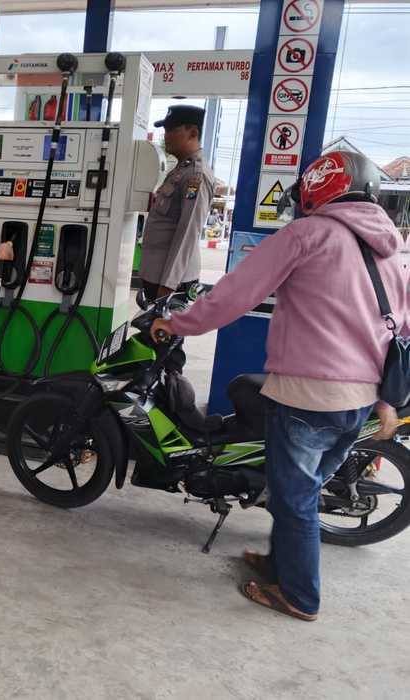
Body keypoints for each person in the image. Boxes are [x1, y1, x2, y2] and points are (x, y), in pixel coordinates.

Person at [151, 150, 408, 621]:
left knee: (295, 498)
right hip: (359, 402)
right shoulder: (390, 249)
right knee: (296, 490)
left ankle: (299, 596)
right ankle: (279, 563)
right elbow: (403, 328)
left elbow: (235, 295)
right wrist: (387, 399)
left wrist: (178, 323)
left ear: (318, 189)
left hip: (309, 396)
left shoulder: (306, 235)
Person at [139, 105, 215, 301]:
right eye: (165, 130)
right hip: (157, 276)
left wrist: (169, 284)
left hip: (170, 283)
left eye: (172, 130)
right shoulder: (180, 170)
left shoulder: (195, 176)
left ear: (193, 133)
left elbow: (188, 232)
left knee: (165, 323)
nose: (166, 135)